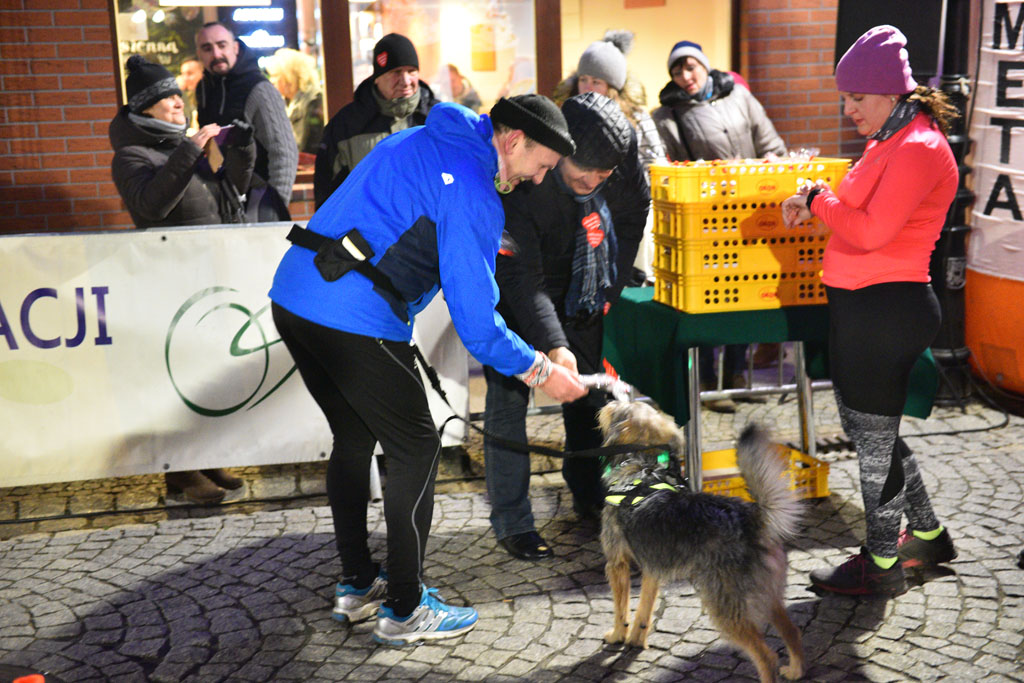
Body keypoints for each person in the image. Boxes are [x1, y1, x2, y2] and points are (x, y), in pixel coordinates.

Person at [268, 94, 587, 644]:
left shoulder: (419, 138)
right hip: (352, 314)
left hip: (294, 297)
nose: (538, 180)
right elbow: (477, 325)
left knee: (354, 437)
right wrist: (538, 370)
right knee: (416, 448)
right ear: (513, 141)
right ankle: (405, 608)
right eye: (541, 166)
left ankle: (357, 585)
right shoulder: (473, 190)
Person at [781, 25, 959, 596]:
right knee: (874, 435)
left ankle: (881, 565)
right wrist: (813, 197)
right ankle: (927, 536)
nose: (848, 109)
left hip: (886, 309)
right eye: (845, 98)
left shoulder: (918, 145)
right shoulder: (891, 137)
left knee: (875, 443)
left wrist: (818, 200)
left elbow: (872, 231)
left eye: (856, 97)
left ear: (889, 91)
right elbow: (857, 209)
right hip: (868, 307)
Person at [485, 92, 645, 559]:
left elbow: (634, 213)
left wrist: (609, 290)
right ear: (558, 154)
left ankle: (590, 494)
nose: (592, 182)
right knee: (508, 403)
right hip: (521, 295)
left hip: (587, 289)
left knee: (590, 398)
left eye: (603, 175)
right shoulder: (526, 174)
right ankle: (514, 522)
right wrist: (554, 346)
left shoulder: (622, 155)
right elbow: (522, 278)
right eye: (582, 173)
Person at [109, 55, 255, 503]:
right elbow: (151, 206)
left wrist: (242, 149)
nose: (178, 102)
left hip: (208, 274)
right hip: (170, 279)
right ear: (144, 108)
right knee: (177, 379)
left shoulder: (182, 146)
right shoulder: (132, 155)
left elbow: (232, 194)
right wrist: (191, 150)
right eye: (167, 98)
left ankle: (207, 459)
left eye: (178, 95)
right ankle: (180, 474)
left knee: (206, 374)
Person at [651, 39, 788, 412]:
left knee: (746, 294)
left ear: (705, 66)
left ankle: (737, 375)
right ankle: (708, 380)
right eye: (677, 71)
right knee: (712, 300)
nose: (685, 76)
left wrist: (772, 161)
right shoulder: (668, 114)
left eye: (691, 67)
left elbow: (768, 140)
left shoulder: (739, 96)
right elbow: (670, 167)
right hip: (707, 220)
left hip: (751, 211)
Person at [313, 33, 437, 209]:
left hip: (431, 225)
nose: (405, 81)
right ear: (377, 77)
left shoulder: (437, 120)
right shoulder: (346, 126)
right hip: (367, 225)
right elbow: (327, 195)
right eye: (396, 72)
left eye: (411, 71)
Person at [194, 22, 298, 221]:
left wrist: (274, 208)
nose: (216, 54)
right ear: (199, 54)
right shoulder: (204, 89)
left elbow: (284, 152)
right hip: (224, 206)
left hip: (259, 204)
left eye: (222, 45)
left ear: (235, 47)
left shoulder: (258, 89)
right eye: (207, 48)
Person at [553, 30, 666, 170]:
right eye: (583, 79)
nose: (587, 88)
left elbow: (656, 165)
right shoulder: (565, 117)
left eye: (596, 82)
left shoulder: (637, 119)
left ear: (612, 88)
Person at [266, 47, 324, 155]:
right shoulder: (288, 102)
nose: (271, 81)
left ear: (289, 76)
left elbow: (302, 146)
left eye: (275, 75)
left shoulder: (312, 100)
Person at [177, 57, 203, 129]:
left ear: (203, 73)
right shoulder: (189, 95)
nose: (185, 78)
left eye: (190, 73)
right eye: (183, 74)